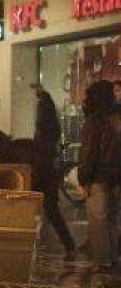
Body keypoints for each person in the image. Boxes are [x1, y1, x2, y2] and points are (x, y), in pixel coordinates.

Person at [77, 80, 121, 274]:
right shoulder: (117, 119)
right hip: (117, 177)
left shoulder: (94, 122)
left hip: (99, 177)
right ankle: (112, 258)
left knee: (98, 220)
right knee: (112, 219)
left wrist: (83, 179)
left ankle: (102, 262)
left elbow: (89, 153)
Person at [32, 88, 77, 261]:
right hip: (47, 174)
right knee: (52, 211)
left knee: (50, 211)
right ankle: (68, 244)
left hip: (43, 174)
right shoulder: (51, 130)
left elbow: (43, 155)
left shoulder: (44, 132)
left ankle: (67, 244)